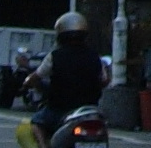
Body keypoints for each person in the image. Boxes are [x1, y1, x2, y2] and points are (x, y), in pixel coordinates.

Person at [33, 11, 104, 140]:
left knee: (37, 122)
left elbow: (37, 76)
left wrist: (28, 82)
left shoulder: (55, 56)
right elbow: (105, 80)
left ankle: (44, 147)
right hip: (89, 109)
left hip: (60, 109)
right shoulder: (95, 56)